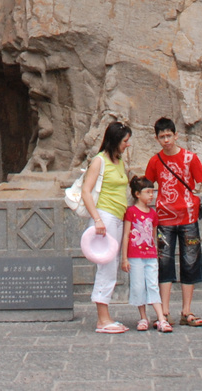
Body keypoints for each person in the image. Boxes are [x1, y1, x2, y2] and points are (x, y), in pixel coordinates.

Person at [145, 117, 202, 327]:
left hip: (189, 218)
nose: (166, 140)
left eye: (169, 136)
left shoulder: (190, 158)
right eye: (162, 137)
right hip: (164, 220)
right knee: (164, 262)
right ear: (156, 139)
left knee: (190, 262)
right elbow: (146, 186)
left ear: (176, 135)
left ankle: (186, 311)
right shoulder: (155, 161)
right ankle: (164, 312)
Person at [80, 120, 133, 333]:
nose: (127, 145)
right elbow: (86, 191)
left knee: (111, 266)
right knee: (107, 266)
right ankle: (102, 319)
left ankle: (106, 315)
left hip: (117, 218)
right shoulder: (99, 161)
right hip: (105, 217)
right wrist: (98, 220)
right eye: (125, 141)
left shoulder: (118, 161)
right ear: (114, 140)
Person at [121, 176, 173, 333]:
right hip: (135, 255)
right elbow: (126, 235)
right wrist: (124, 258)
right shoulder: (131, 212)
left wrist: (156, 252)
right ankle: (143, 316)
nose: (151, 195)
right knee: (138, 286)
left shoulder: (153, 214)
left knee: (152, 285)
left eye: (152, 192)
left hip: (150, 255)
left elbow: (154, 234)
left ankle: (161, 318)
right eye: (148, 192)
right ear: (137, 194)